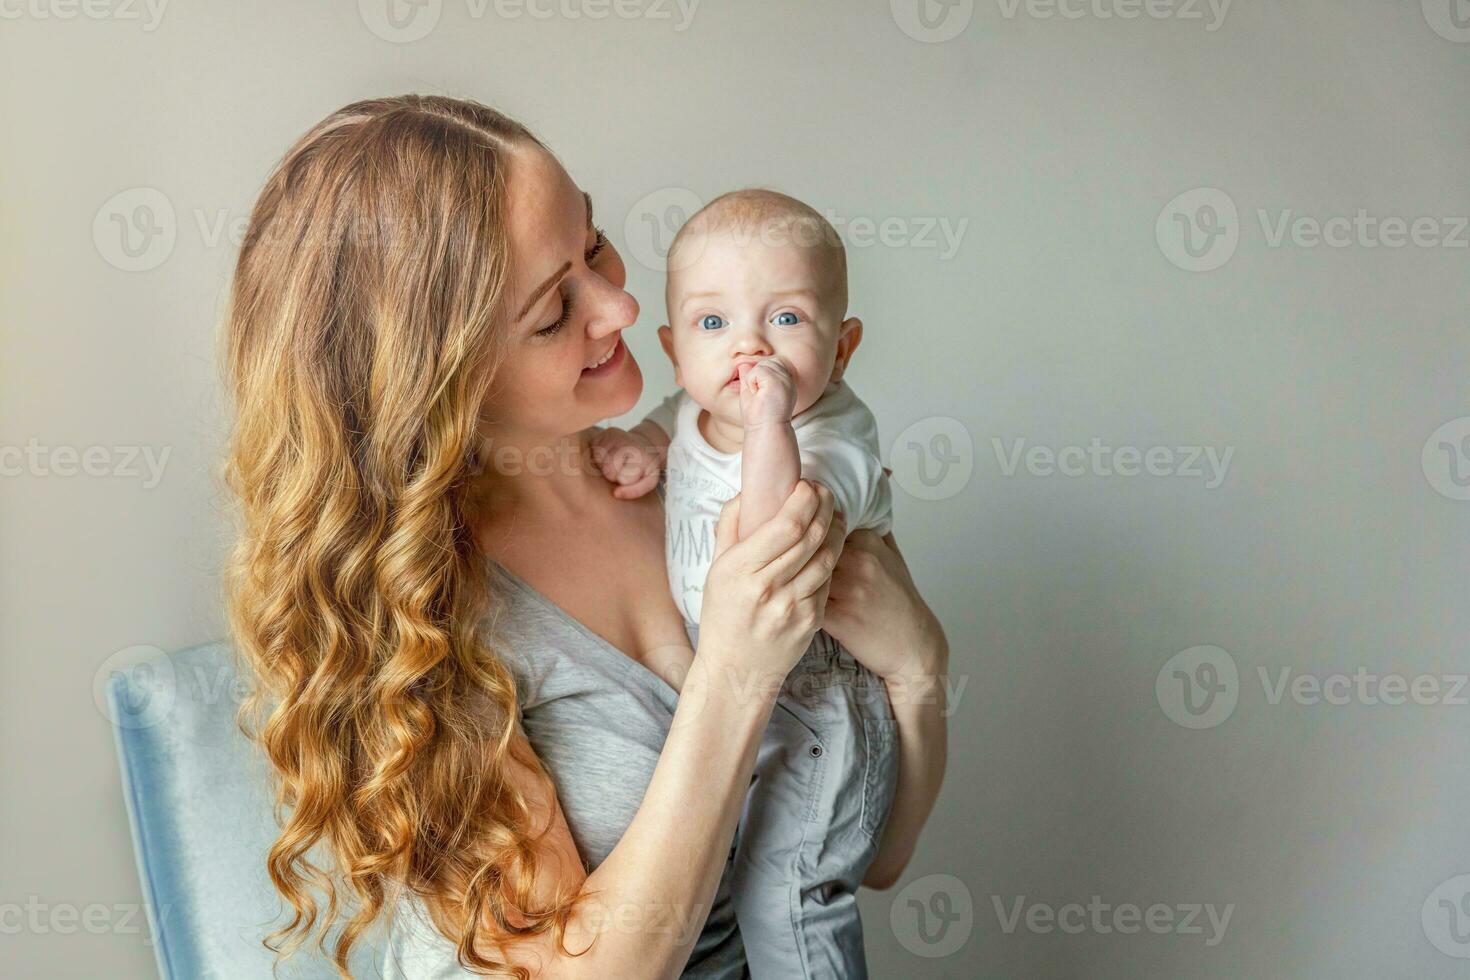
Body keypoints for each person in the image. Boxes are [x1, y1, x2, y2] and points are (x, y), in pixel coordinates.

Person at [221, 94, 949, 979]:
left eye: (594, 244)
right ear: (443, 380)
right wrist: (733, 675)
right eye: (551, 313)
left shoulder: (714, 466)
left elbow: (872, 862)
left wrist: (920, 668)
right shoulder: (417, 625)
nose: (621, 306)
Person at [591, 188, 900, 977]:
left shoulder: (834, 433)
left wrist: (771, 425)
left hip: (819, 706)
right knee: (724, 884)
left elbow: (775, 536)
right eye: (713, 323)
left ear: (843, 346)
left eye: (787, 319)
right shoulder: (693, 410)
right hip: (740, 695)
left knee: (787, 899)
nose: (749, 349)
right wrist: (642, 442)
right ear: (673, 346)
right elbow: (670, 418)